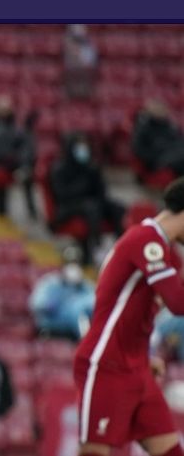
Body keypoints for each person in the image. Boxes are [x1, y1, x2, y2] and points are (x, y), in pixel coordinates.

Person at [73, 177, 184, 456]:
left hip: (137, 367)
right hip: (107, 363)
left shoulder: (167, 253)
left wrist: (144, 355)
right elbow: (178, 303)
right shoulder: (145, 240)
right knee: (94, 453)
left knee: (170, 451)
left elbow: (137, 311)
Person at [49, 131, 125, 265]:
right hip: (68, 206)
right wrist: (83, 187)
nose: (83, 150)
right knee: (92, 208)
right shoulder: (60, 168)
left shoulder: (91, 167)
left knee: (117, 207)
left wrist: (95, 176)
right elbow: (62, 195)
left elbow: (101, 192)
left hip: (91, 202)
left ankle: (122, 247)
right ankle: (96, 248)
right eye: (79, 146)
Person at [29, 246, 96, 341]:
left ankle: (88, 341)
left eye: (76, 263)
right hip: (53, 329)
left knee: (80, 307)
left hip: (75, 333)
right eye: (70, 263)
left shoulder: (86, 286)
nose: (73, 267)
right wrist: (52, 305)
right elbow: (37, 304)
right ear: (63, 265)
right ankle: (87, 341)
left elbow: (97, 303)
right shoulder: (50, 283)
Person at [132, 99, 184, 177]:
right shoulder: (143, 128)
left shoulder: (170, 126)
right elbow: (138, 149)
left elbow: (178, 140)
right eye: (158, 109)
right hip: (158, 159)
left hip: (174, 153)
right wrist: (154, 157)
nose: (161, 111)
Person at [63, 24, 98, 99]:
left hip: (84, 73)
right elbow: (68, 62)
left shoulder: (89, 47)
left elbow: (90, 63)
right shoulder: (67, 46)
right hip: (72, 74)